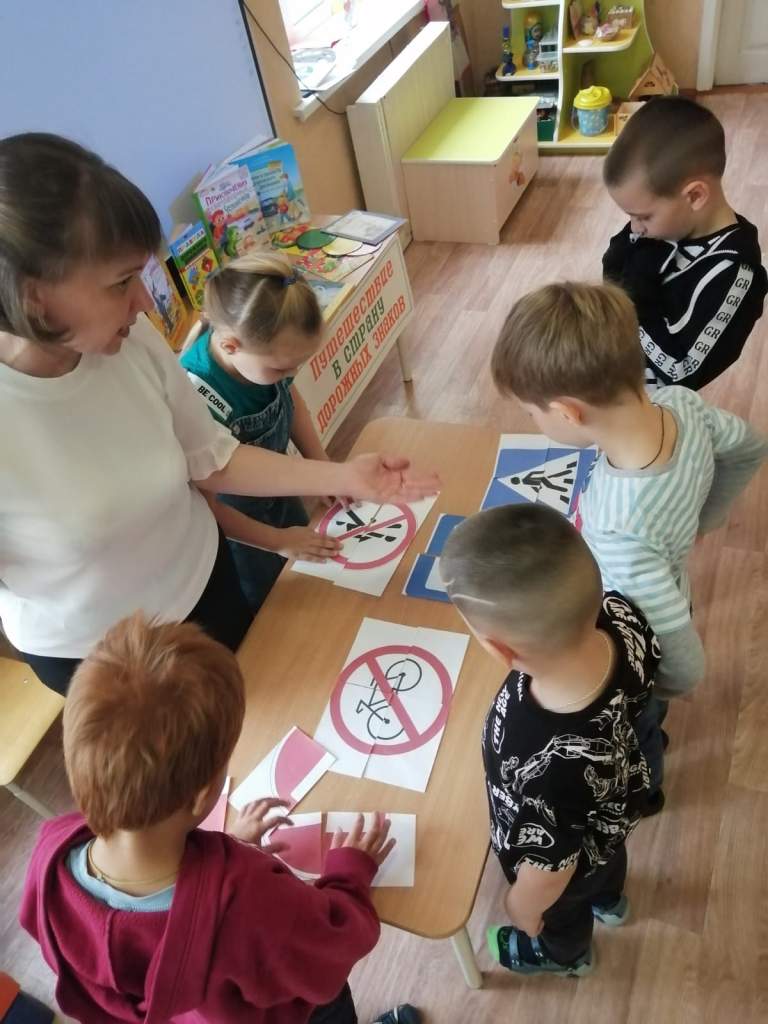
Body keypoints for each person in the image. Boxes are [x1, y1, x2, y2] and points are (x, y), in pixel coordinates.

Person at [0, 133, 438, 695]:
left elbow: (213, 460)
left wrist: (344, 475)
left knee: (257, 698)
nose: (144, 302)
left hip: (206, 585)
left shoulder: (133, 343)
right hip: (102, 658)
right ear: (34, 297)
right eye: (120, 283)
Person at [20, 614, 421, 1024]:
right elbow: (333, 948)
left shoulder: (50, 851)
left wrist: (224, 848)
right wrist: (351, 870)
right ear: (200, 796)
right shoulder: (249, 897)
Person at [491, 281, 767, 810]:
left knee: (640, 730)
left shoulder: (622, 533)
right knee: (649, 717)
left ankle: (649, 785)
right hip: (670, 586)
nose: (532, 421)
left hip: (636, 641)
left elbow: (683, 658)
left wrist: (653, 688)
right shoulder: (680, 403)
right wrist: (708, 515)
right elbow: (750, 448)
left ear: (568, 412)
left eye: (531, 413)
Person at [439, 504, 659, 977]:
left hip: (566, 869)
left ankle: (567, 955)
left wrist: (523, 907)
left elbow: (552, 867)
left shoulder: (541, 754)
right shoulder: (621, 614)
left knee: (564, 909)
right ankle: (611, 900)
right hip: (612, 816)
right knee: (607, 864)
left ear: (499, 649)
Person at [181, 253, 341, 612]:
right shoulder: (196, 397)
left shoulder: (261, 358)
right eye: (281, 369)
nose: (290, 376)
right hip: (240, 531)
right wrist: (277, 541)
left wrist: (322, 467)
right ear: (230, 345)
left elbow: (290, 401)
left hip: (279, 491)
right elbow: (206, 508)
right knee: (271, 609)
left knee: (308, 578)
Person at [602, 95, 767, 391]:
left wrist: (630, 302)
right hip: (610, 366)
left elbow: (681, 370)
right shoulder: (662, 226)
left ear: (694, 196)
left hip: (649, 403)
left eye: (643, 217)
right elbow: (614, 270)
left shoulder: (735, 272)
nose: (634, 228)